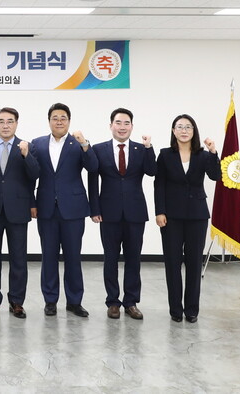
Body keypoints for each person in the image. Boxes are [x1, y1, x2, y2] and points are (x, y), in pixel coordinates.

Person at [30, 102, 98, 318]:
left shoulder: (78, 143)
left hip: (73, 209)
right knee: (48, 257)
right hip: (46, 208)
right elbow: (30, 175)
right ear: (49, 121)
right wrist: (32, 203)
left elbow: (93, 167)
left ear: (69, 121)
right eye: (55, 118)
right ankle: (50, 301)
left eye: (63, 118)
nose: (59, 121)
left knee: (73, 257)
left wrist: (85, 144)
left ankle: (74, 302)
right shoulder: (37, 144)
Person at [88, 108, 156, 320]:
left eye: (126, 123)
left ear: (132, 127)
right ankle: (113, 302)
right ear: (111, 126)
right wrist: (94, 209)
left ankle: (131, 302)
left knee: (133, 258)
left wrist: (149, 147)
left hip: (135, 212)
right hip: (108, 213)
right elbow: (93, 180)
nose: (122, 127)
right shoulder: (98, 149)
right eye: (118, 123)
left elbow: (152, 171)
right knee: (110, 258)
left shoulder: (141, 149)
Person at [0, 107, 39, 319]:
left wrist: (26, 155)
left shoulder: (26, 146)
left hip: (18, 210)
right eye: (1, 121)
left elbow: (34, 175)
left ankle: (17, 302)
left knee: (18, 258)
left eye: (10, 121)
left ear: (16, 124)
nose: (5, 125)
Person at [154, 114, 219, 323]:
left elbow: (215, 176)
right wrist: (160, 211)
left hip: (197, 216)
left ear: (194, 131)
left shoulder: (203, 155)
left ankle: (191, 310)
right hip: (171, 217)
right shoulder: (165, 155)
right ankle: (175, 309)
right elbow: (159, 184)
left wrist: (213, 152)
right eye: (180, 127)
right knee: (172, 263)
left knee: (194, 263)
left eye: (188, 127)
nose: (184, 130)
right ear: (173, 131)